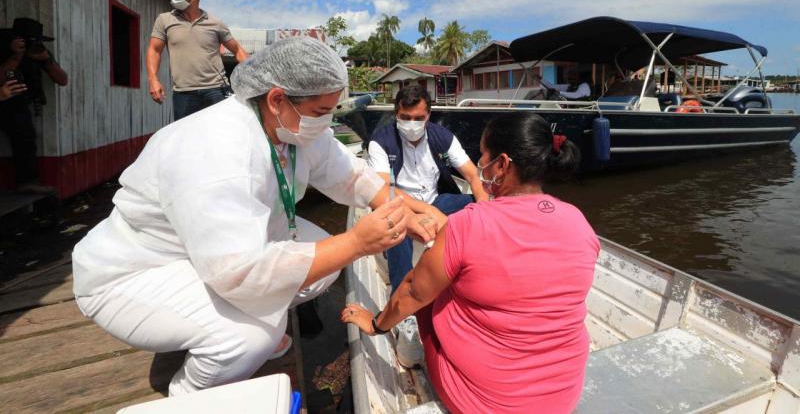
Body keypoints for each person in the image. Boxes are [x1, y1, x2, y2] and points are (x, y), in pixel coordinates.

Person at [72, 37, 440, 396]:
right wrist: (358, 242)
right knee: (251, 337)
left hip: (212, 252)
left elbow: (351, 175)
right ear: (277, 98)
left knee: (324, 261)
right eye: (321, 112)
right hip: (137, 272)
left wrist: (405, 208)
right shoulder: (218, 149)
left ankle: (239, 317)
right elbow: (240, 272)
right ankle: (191, 394)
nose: (326, 125)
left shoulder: (291, 125)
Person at [344, 113, 600, 413]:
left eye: (484, 155)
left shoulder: (468, 225)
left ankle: (408, 347)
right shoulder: (578, 220)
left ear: (502, 164)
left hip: (486, 402)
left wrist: (375, 325)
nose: (480, 163)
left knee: (426, 284)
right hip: (562, 396)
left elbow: (412, 292)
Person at [367, 84, 488, 291]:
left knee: (474, 204)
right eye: (405, 117)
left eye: (418, 118)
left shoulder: (442, 136)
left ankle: (471, 270)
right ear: (396, 114)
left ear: (428, 115)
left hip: (436, 200)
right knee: (398, 229)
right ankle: (401, 293)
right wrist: (426, 211)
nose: (411, 123)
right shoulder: (380, 141)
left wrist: (486, 209)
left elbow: (472, 175)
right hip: (398, 204)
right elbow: (384, 188)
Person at [147, 0, 249, 120]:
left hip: (216, 91)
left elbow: (238, 50)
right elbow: (154, 50)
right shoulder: (165, 20)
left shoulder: (215, 23)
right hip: (183, 94)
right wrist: (153, 80)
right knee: (186, 139)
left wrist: (256, 76)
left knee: (220, 136)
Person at [0, 19, 68, 193]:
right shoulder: (5, 47)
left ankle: (27, 182)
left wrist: (47, 61)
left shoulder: (39, 51)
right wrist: (16, 55)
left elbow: (62, 80)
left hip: (20, 101)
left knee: (26, 137)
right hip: (5, 98)